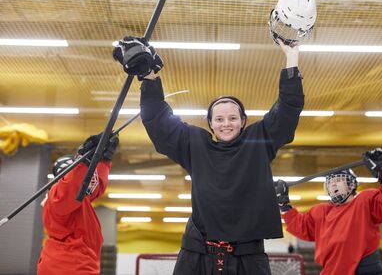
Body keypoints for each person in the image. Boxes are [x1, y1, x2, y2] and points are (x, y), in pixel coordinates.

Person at [112, 35, 304, 274]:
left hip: (247, 258)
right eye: (219, 119)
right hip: (197, 256)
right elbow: (160, 123)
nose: (226, 124)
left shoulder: (259, 141)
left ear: (243, 121)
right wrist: (148, 74)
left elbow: (287, 109)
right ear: (210, 124)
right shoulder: (196, 145)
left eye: (233, 118)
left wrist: (292, 56)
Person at [275, 148, 382, 275]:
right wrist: (284, 204)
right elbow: (299, 225)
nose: (333, 184)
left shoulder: (365, 201)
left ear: (351, 184)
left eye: (338, 180)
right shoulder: (321, 212)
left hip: (363, 269)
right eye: (330, 182)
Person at [37, 134, 119, 275]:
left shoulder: (76, 199)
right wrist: (84, 160)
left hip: (76, 262)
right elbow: (73, 183)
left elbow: (94, 187)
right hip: (68, 265)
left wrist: (104, 161)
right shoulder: (58, 196)